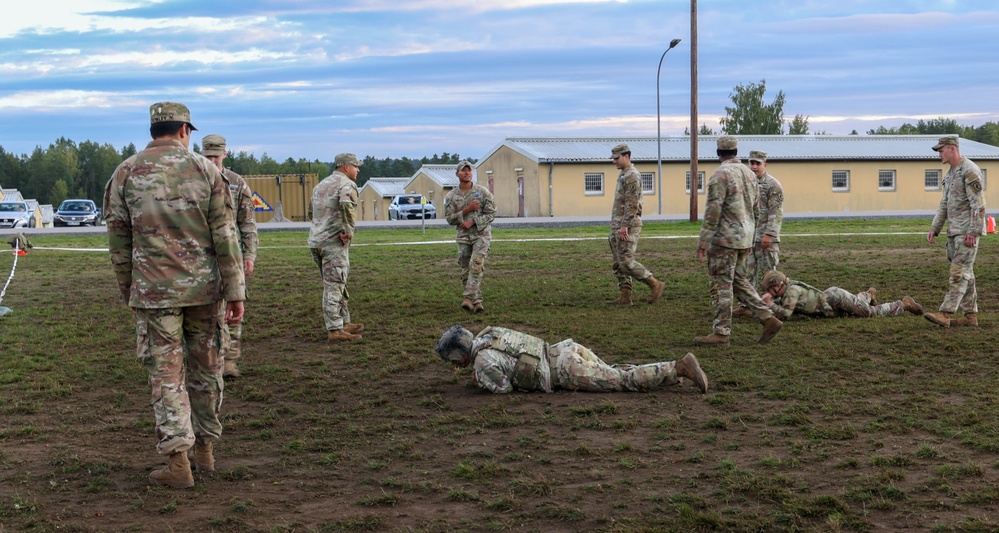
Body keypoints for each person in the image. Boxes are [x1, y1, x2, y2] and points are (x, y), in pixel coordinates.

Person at [104, 102, 245, 489]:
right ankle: (206, 451)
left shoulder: (126, 172)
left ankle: (179, 459)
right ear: (185, 130)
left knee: (166, 375)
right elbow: (226, 236)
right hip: (205, 290)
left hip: (153, 293)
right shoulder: (207, 170)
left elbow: (118, 242)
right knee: (207, 370)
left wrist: (128, 289)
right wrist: (236, 293)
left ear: (154, 131)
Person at [435, 325, 708, 394]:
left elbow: (503, 388)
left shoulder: (482, 362)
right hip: (564, 349)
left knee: (622, 381)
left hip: (564, 371)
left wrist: (480, 381)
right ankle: (668, 370)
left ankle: (678, 368)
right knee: (612, 371)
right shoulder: (489, 333)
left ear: (459, 355)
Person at [695, 136, 782, 346]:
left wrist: (704, 241)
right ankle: (767, 318)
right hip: (745, 238)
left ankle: (721, 333)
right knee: (739, 281)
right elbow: (756, 209)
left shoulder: (720, 175)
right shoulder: (748, 174)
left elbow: (713, 211)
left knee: (722, 284)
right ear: (736, 151)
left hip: (725, 240)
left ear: (718, 153)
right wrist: (752, 237)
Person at [202, 134, 258, 378]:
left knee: (233, 308)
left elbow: (247, 223)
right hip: (201, 257)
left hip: (231, 255)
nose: (212, 160)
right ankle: (209, 360)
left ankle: (230, 361)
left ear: (225, 154)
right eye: (208, 156)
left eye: (216, 156)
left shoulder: (236, 183)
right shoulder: (193, 179)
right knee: (205, 311)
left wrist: (249, 255)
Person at [924, 136, 986, 328]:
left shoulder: (970, 171)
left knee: (958, 273)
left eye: (941, 151)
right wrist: (935, 227)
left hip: (967, 231)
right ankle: (970, 316)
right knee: (967, 273)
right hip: (955, 231)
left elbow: (979, 205)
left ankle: (946, 313)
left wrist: (973, 231)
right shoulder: (951, 173)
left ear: (952, 149)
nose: (939, 155)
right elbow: (944, 204)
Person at [308, 153, 364, 341]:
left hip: (316, 241)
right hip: (333, 243)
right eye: (356, 166)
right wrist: (348, 231)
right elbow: (346, 206)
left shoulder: (320, 185)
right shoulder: (346, 184)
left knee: (338, 282)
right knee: (334, 285)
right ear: (346, 167)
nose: (358, 170)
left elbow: (311, 211)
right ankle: (334, 330)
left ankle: (344, 321)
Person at [606, 144, 665, 305]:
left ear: (627, 156)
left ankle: (654, 283)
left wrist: (625, 225)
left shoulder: (632, 176)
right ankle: (625, 296)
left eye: (617, 158)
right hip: (618, 224)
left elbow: (632, 204)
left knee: (626, 260)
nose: (614, 162)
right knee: (618, 262)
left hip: (628, 225)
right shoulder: (624, 174)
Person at [759, 270, 923, 320]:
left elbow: (785, 314)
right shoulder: (787, 291)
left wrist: (769, 305)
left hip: (836, 298)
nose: (770, 294)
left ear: (779, 285)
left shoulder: (791, 291)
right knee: (856, 308)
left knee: (870, 313)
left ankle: (903, 304)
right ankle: (868, 295)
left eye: (771, 290)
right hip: (831, 303)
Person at [444, 160, 496, 313]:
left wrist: (473, 221)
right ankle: (477, 301)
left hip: (481, 234)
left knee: (477, 264)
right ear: (457, 174)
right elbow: (449, 218)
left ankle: (467, 298)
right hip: (463, 237)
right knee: (466, 269)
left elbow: (492, 213)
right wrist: (466, 211)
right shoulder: (452, 196)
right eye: (463, 170)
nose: (467, 173)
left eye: (469, 170)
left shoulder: (482, 192)